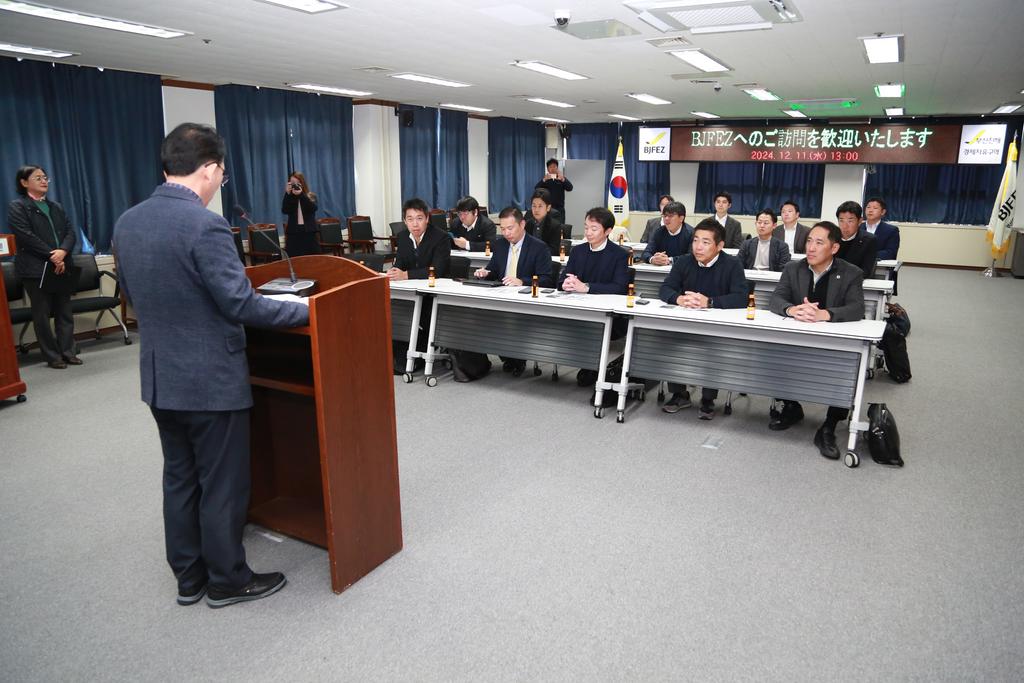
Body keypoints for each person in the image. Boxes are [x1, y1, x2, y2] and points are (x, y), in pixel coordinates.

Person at [112, 123, 310, 608]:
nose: (221, 180)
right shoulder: (205, 224)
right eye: (221, 172)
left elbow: (134, 299)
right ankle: (228, 578)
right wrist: (306, 311)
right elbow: (240, 304)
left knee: (180, 476)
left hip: (161, 377)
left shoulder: (128, 222)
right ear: (210, 169)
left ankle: (189, 576)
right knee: (222, 481)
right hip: (210, 380)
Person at [768, 222, 866, 459]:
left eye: (819, 243)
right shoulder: (793, 268)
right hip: (797, 337)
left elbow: (857, 308)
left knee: (846, 366)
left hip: (833, 341)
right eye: (809, 241)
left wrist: (826, 314)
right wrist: (792, 310)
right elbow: (776, 298)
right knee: (774, 352)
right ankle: (792, 407)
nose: (810, 248)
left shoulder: (851, 272)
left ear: (834, 248)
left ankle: (829, 426)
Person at [658, 218, 748, 418]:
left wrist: (710, 302)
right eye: (695, 240)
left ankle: (708, 398)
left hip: (717, 326)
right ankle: (679, 394)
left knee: (713, 347)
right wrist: (679, 299)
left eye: (705, 242)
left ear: (720, 245)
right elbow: (665, 288)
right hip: (685, 322)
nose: (698, 247)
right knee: (670, 341)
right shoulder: (684, 261)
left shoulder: (732, 264)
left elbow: (742, 298)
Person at [7, 165, 79, 369]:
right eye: (38, 178)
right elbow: (25, 236)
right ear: (24, 182)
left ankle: (68, 351)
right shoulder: (18, 206)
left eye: (45, 177)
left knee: (65, 311)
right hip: (36, 268)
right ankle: (52, 355)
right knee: (42, 313)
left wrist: (62, 252)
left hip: (62, 265)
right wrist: (52, 255)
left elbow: (70, 232)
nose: (44, 181)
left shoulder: (56, 206)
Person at [474, 206, 553, 376]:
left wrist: (522, 282)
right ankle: (510, 356)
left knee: (510, 320)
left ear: (522, 224)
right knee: (480, 317)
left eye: (510, 228)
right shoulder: (501, 245)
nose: (506, 233)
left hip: (527, 302)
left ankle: (516, 358)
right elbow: (494, 270)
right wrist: (485, 273)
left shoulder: (539, 247)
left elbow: (547, 279)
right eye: (502, 229)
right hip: (502, 298)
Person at [558, 207, 629, 295]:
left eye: (594, 229)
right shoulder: (577, 251)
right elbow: (563, 278)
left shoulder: (619, 255)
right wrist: (565, 284)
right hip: (577, 301)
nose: (588, 233)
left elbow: (620, 288)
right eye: (586, 228)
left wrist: (587, 287)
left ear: (607, 231)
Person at [386, 198, 451, 281]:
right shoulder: (402, 237)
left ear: (427, 219)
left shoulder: (441, 237)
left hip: (436, 286)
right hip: (410, 286)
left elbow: (437, 270)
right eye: (410, 219)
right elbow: (399, 264)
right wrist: (393, 272)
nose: (415, 224)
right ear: (405, 221)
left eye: (419, 218)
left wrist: (405, 275)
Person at [835, 200, 878, 279]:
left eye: (850, 221)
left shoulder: (869, 240)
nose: (845, 226)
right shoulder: (832, 237)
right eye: (841, 221)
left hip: (853, 282)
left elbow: (866, 271)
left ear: (860, 221)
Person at [640, 202, 693, 266]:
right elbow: (646, 253)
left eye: (671, 216)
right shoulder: (659, 232)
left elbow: (691, 256)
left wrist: (669, 260)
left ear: (681, 218)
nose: (666, 219)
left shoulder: (691, 233)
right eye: (665, 216)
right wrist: (653, 259)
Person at [280, 171, 319, 257]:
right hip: (294, 233)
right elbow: (285, 210)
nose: (295, 186)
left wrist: (301, 195)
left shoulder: (310, 196)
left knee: (312, 260)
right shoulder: (289, 197)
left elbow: (313, 208)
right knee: (295, 260)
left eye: (297, 183)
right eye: (292, 183)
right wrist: (287, 194)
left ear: (302, 183)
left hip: (309, 233)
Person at [525, 188, 565, 256]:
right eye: (534, 206)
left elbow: (553, 250)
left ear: (548, 207)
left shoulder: (555, 226)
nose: (536, 210)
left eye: (540, 206)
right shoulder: (527, 224)